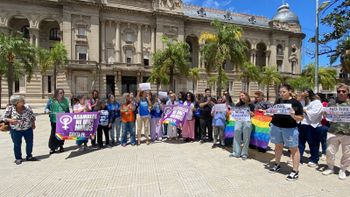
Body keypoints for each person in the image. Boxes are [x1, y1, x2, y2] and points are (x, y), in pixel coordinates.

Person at [269, 84, 304, 181]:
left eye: (283, 92)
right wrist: (269, 113)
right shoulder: (278, 101)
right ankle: (277, 164)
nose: (281, 94)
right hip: (276, 126)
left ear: (289, 91)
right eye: (280, 92)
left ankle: (295, 171)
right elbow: (274, 112)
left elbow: (300, 117)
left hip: (290, 129)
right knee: (278, 146)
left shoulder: (296, 103)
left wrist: (293, 115)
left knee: (294, 149)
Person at [322, 83, 350, 180]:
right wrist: (325, 114)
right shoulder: (331, 102)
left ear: (347, 92)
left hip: (348, 133)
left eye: (343, 91)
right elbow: (327, 115)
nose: (341, 93)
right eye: (339, 91)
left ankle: (343, 170)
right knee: (329, 151)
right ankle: (330, 167)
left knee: (347, 153)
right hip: (333, 131)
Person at [1, 95, 37, 165]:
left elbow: (32, 116)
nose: (24, 101)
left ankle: (29, 156)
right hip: (15, 130)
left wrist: (33, 124)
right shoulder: (10, 108)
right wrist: (10, 120)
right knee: (17, 144)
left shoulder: (27, 107)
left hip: (28, 128)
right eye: (21, 100)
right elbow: (2, 118)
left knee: (30, 143)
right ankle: (18, 158)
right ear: (16, 102)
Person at [298, 88, 324, 167]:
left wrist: (304, 110)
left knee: (313, 143)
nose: (303, 94)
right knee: (300, 143)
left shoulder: (316, 102)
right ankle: (298, 158)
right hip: (302, 124)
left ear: (309, 93)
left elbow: (315, 114)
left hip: (312, 125)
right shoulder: (302, 101)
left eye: (305, 92)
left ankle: (314, 159)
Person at [230, 91, 254, 160]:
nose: (241, 97)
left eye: (242, 95)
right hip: (238, 121)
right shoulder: (238, 104)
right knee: (236, 135)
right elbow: (235, 112)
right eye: (240, 96)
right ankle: (236, 152)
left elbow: (253, 114)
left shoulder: (251, 104)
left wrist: (252, 113)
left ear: (246, 96)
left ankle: (244, 153)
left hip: (247, 121)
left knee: (246, 138)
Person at [45, 88, 70, 154]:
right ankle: (52, 148)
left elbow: (67, 110)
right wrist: (47, 110)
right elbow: (47, 107)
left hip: (63, 120)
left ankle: (61, 146)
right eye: (60, 93)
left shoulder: (65, 100)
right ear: (56, 93)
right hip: (54, 119)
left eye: (63, 93)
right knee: (53, 133)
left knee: (62, 133)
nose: (62, 94)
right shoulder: (52, 100)